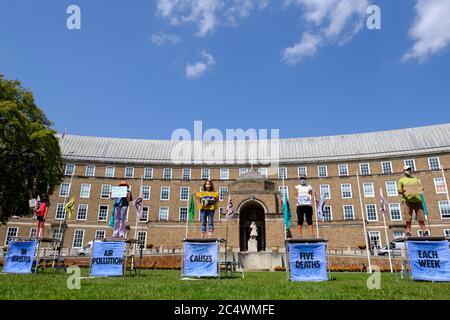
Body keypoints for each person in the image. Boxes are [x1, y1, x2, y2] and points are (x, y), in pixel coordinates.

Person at [398, 165, 427, 237]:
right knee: (408, 217)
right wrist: (402, 191)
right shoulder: (401, 180)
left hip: (417, 200)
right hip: (407, 201)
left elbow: (419, 188)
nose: (409, 170)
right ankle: (408, 232)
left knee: (421, 217)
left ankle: (425, 232)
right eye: (408, 169)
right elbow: (399, 191)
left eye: (410, 169)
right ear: (404, 171)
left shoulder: (416, 179)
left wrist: (421, 189)